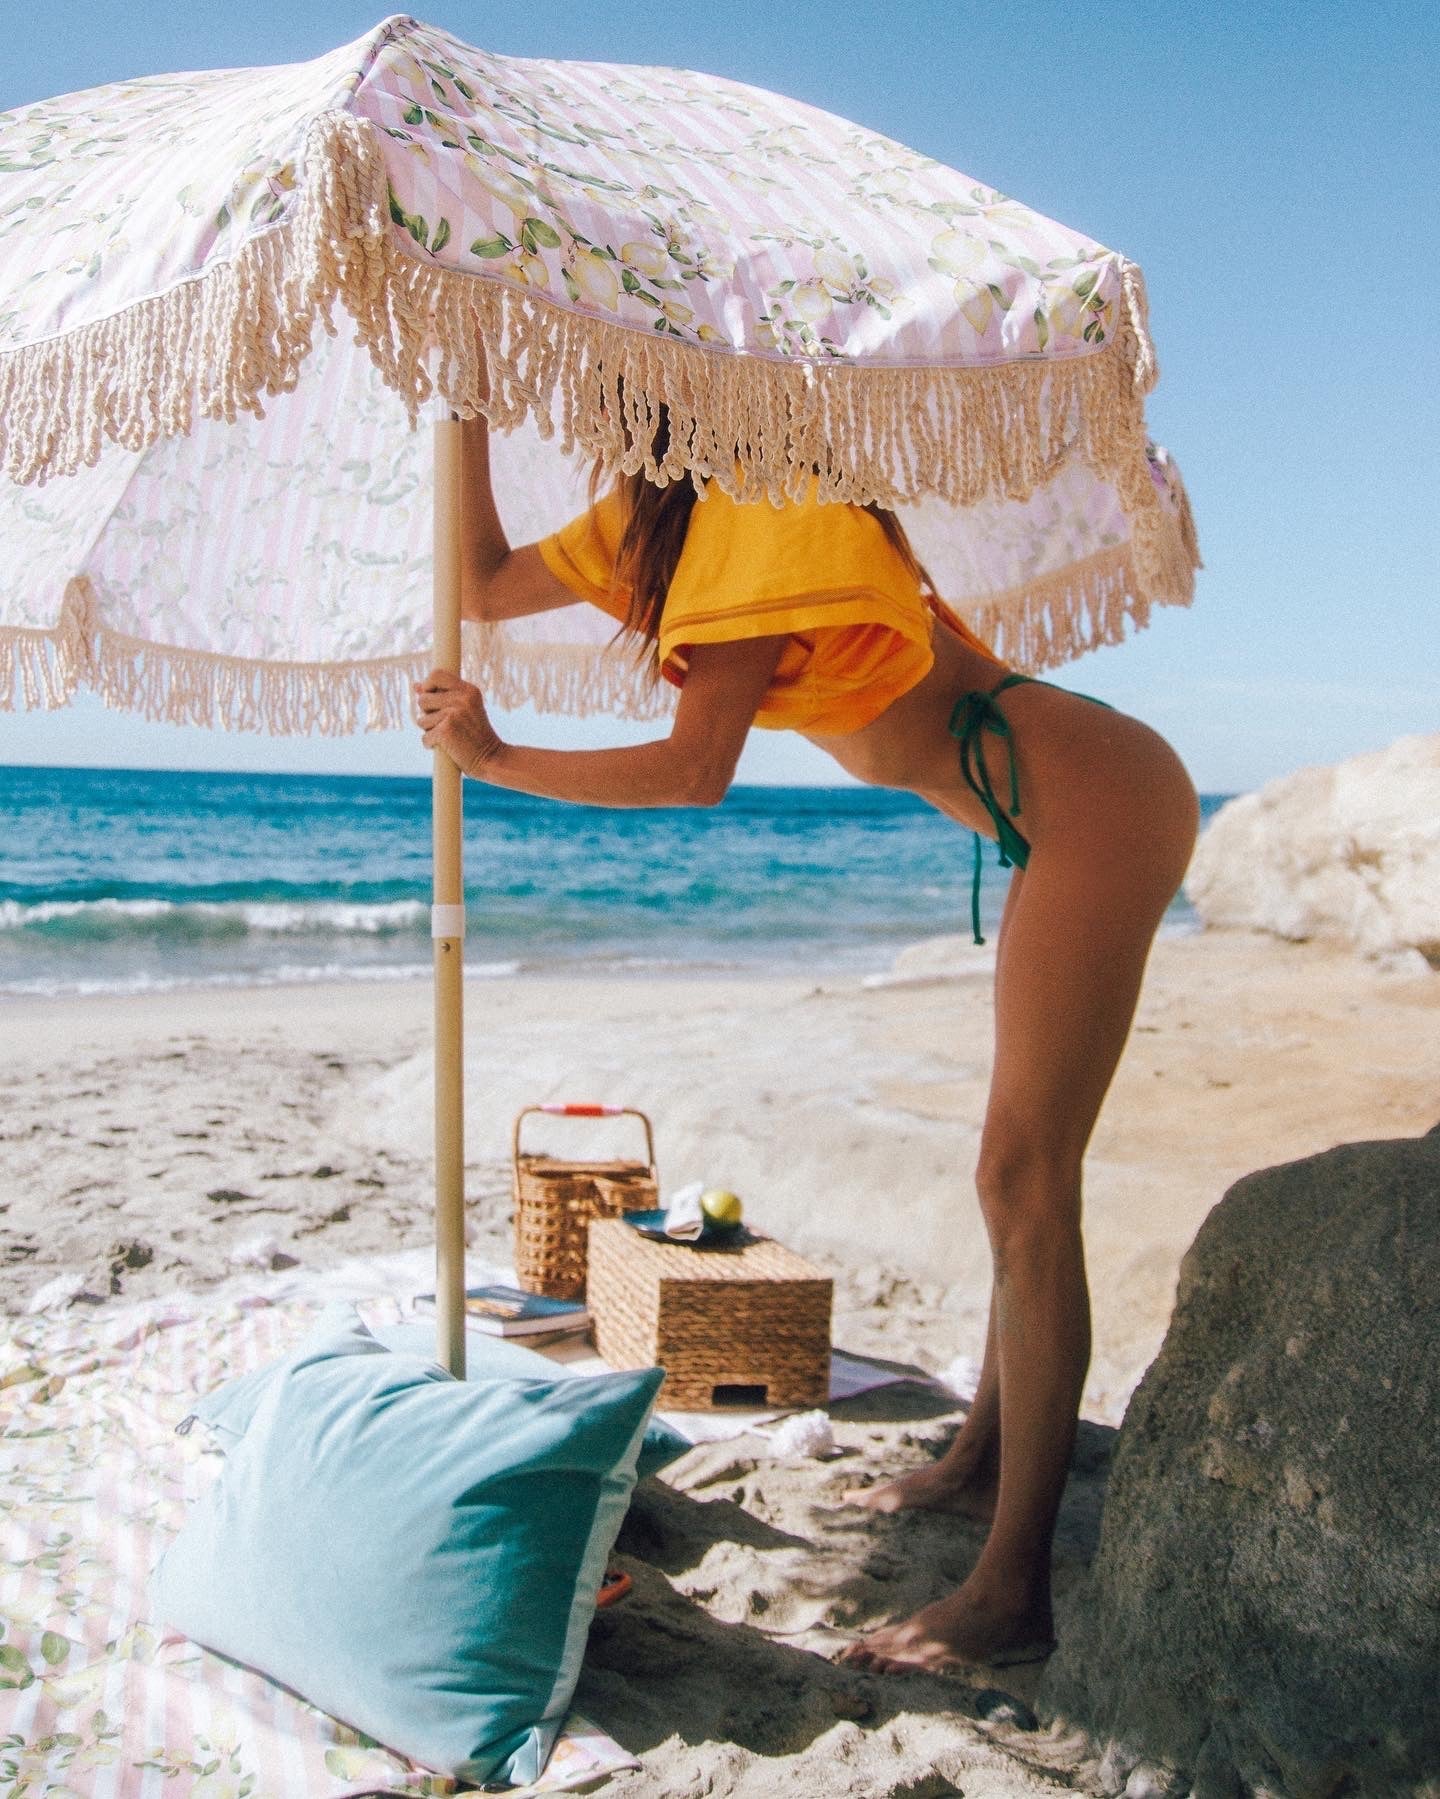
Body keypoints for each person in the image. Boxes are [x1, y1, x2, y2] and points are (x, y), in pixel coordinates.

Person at [414, 410, 1199, 1676]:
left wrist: (495, 755)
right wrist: (467, 426)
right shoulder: (654, 520)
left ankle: (1010, 1591)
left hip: (1096, 787)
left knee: (1021, 1174)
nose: (596, 407)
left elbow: (695, 768)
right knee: (1018, 1173)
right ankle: (979, 1453)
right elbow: (488, 588)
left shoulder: (762, 498)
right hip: (1030, 806)